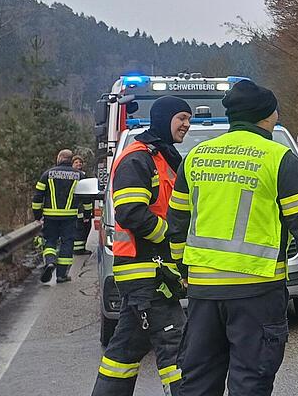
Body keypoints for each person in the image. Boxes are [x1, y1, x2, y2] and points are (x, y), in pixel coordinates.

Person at [168, 79, 298, 395]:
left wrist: (183, 270)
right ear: (267, 115)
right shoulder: (278, 157)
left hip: (204, 292)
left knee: (198, 381)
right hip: (257, 290)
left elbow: (177, 223)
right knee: (250, 380)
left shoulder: (196, 157)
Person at [91, 96, 192, 396]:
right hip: (146, 272)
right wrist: (170, 236)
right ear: (163, 118)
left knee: (124, 351)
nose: (187, 124)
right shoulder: (138, 158)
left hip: (153, 272)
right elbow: (131, 212)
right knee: (176, 348)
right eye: (181, 118)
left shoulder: (165, 157)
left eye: (188, 118)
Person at [32, 149, 85, 283]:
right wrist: (87, 213)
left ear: (59, 158)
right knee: (67, 243)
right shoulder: (79, 175)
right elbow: (87, 197)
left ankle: (50, 262)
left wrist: (37, 216)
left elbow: (38, 197)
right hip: (70, 217)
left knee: (49, 240)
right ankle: (61, 275)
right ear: (71, 160)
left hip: (50, 216)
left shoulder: (47, 174)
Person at [72, 155, 93, 256]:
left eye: (80, 162)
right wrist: (87, 212)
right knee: (80, 229)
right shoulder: (79, 176)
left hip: (79, 207)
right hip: (79, 208)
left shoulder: (83, 175)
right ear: (72, 164)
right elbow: (85, 196)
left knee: (84, 227)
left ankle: (79, 248)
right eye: (76, 162)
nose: (79, 164)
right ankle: (78, 250)